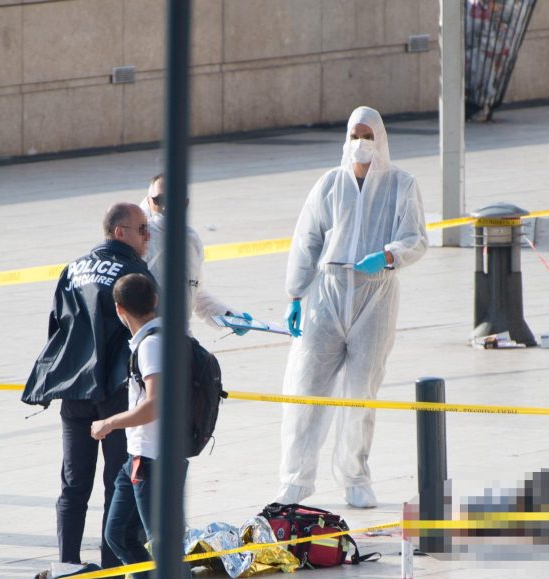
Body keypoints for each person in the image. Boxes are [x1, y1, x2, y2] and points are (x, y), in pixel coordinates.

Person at [278, 106, 428, 508]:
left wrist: (388, 256)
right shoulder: (329, 184)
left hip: (375, 296)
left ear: (380, 139)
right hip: (326, 295)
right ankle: (295, 479)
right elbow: (306, 238)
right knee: (307, 389)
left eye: (367, 135)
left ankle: (355, 477)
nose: (360, 143)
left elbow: (415, 238)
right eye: (353, 135)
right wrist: (296, 295)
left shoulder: (402, 184)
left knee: (362, 391)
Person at [22, 203, 155, 579]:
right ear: (120, 233)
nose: (147, 236)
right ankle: (110, 577)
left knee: (73, 485)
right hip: (112, 390)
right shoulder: (133, 272)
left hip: (74, 392)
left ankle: (66, 566)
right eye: (142, 229)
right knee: (116, 483)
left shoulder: (72, 268)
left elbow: (56, 327)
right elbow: (144, 333)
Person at [91, 273, 194, 579]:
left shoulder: (152, 345)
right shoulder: (159, 336)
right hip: (139, 458)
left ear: (119, 310)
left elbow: (154, 403)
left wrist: (109, 423)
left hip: (155, 460)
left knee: (168, 548)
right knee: (118, 533)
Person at [142, 173, 252, 333]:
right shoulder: (141, 239)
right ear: (149, 201)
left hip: (179, 334)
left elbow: (194, 291)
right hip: (148, 333)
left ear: (185, 203)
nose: (167, 206)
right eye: (160, 199)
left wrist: (228, 316)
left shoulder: (191, 241)